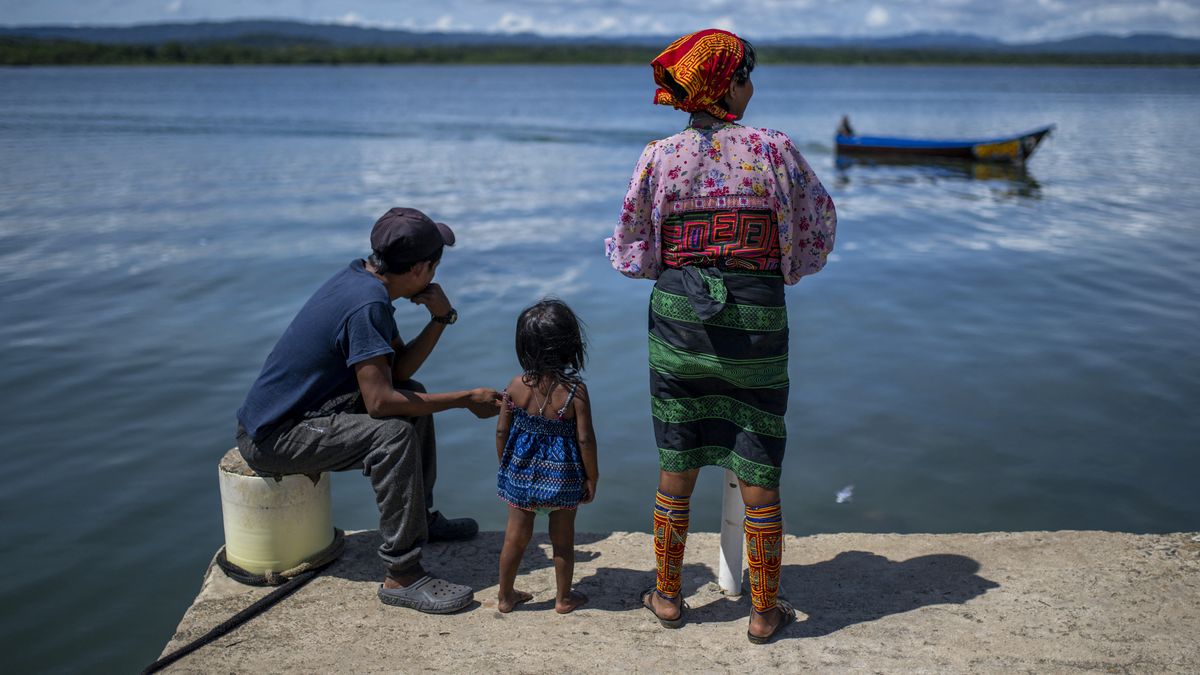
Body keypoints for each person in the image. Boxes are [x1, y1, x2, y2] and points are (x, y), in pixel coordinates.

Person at [604, 29, 837, 643]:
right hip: (757, 321)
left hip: (678, 321)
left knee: (676, 454)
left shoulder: (659, 155)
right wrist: (777, 267)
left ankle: (668, 595)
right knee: (758, 455)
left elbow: (631, 248)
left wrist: (680, 266)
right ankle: (763, 611)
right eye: (746, 77)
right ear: (727, 85)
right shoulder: (773, 149)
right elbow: (817, 228)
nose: (751, 88)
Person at [235, 206, 502, 614]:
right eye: (434, 266)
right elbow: (380, 403)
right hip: (275, 436)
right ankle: (402, 574)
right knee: (392, 435)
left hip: (307, 415)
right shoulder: (367, 305)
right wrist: (465, 400)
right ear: (421, 269)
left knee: (414, 396)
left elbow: (399, 375)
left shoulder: (363, 282)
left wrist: (440, 318)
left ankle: (420, 521)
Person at [494, 299, 599, 614]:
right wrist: (592, 477)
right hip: (563, 479)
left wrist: (507, 466)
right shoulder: (575, 391)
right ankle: (563, 599)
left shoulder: (515, 386)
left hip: (520, 476)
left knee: (514, 538)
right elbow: (585, 439)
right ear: (570, 345)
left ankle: (505, 596)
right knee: (563, 541)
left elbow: (501, 431)